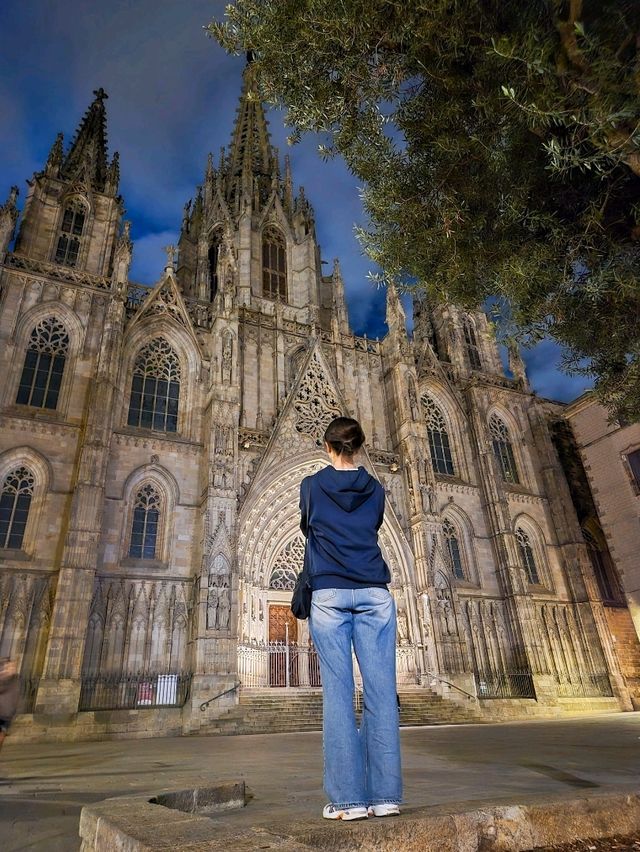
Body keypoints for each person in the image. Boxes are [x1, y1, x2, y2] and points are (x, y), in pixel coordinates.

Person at [300, 417, 402, 821]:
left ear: (328, 445)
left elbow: (308, 525)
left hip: (328, 593)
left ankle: (348, 802)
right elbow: (372, 527)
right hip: (375, 593)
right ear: (358, 447)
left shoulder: (310, 486)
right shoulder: (376, 489)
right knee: (381, 695)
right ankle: (386, 797)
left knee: (339, 697)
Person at [0, 658, 19, 754]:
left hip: (7, 714)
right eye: (10, 667)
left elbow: (15, 696)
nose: (12, 669)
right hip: (1, 711)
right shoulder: (2, 677)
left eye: (13, 667)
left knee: (2, 736)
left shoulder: (15, 679)